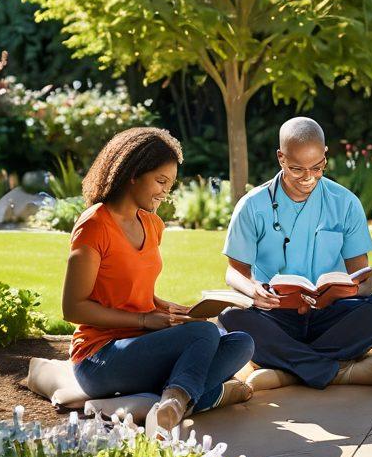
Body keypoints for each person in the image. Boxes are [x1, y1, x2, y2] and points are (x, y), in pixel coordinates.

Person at [62, 127, 254, 436]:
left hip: (141, 346)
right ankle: (184, 399)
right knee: (203, 335)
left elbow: (135, 291)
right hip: (99, 358)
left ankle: (181, 397)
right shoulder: (95, 225)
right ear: (133, 173)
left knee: (241, 343)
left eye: (170, 184)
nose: (165, 192)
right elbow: (73, 308)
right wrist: (144, 320)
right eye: (161, 181)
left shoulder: (152, 224)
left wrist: (172, 309)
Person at [219, 117, 372, 389]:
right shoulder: (252, 206)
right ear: (280, 158)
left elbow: (363, 280)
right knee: (230, 316)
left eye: (317, 168)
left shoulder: (345, 203)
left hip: (330, 317)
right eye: (296, 169)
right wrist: (253, 290)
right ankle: (330, 367)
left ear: (325, 155)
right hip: (276, 316)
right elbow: (234, 272)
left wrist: (341, 292)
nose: (308, 177)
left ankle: (294, 363)